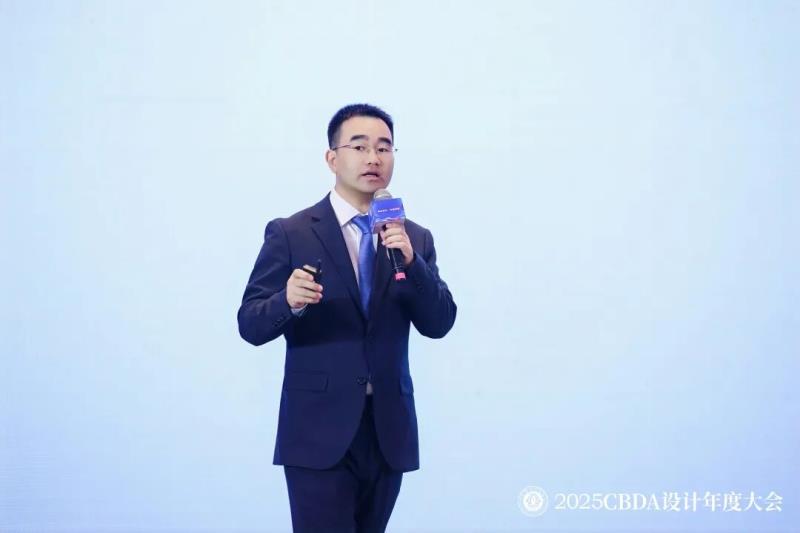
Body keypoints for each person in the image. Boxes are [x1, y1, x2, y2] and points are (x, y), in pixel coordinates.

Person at [237, 103, 457, 532]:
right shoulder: (291, 232)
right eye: (359, 146)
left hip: (387, 431)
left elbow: (440, 322)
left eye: (384, 148)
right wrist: (288, 301)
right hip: (318, 432)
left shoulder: (412, 238)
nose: (374, 158)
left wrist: (412, 264)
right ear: (332, 158)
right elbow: (250, 323)